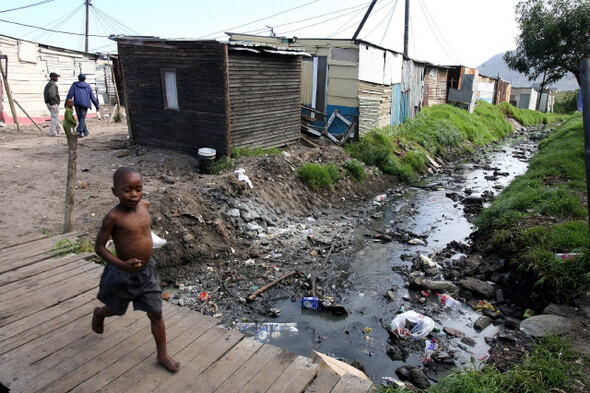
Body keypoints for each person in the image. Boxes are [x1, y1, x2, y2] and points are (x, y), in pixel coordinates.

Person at [93, 167, 180, 372]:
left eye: (138, 189)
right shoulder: (113, 217)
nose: (134, 195)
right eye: (127, 190)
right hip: (123, 274)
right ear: (115, 191)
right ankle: (100, 313)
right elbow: (99, 248)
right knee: (116, 309)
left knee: (156, 313)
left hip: (147, 272)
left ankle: (162, 354)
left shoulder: (145, 206)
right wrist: (121, 264)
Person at [66, 73, 99, 138]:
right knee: (82, 118)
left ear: (78, 78)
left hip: (77, 104)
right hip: (85, 104)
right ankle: (80, 131)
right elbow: (92, 97)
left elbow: (70, 94)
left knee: (81, 118)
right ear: (84, 79)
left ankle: (83, 132)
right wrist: (96, 105)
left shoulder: (75, 85)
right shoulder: (88, 86)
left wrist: (67, 103)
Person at [43, 72, 62, 136]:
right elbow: (52, 95)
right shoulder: (52, 85)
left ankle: (60, 130)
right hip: (52, 103)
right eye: (56, 77)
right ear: (52, 77)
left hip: (49, 103)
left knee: (56, 118)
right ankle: (53, 132)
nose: (57, 78)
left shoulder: (48, 84)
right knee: (54, 118)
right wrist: (55, 102)